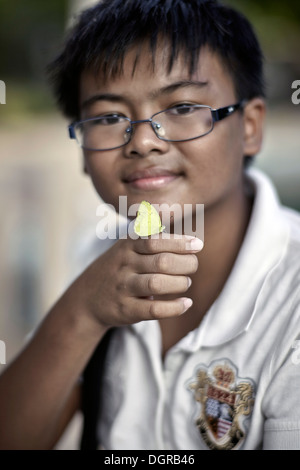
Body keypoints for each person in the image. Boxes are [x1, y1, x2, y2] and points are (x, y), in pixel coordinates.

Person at [0, 0, 300, 451]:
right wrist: (82, 311)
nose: (142, 140)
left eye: (181, 106)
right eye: (108, 117)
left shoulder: (291, 297)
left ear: (251, 126)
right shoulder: (100, 254)